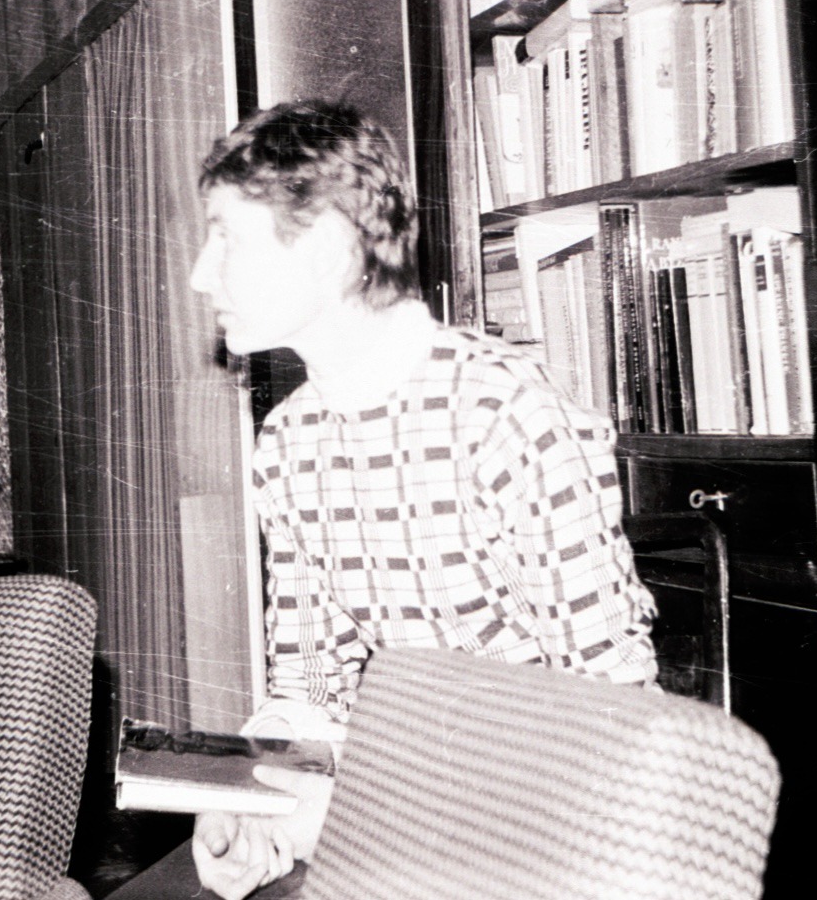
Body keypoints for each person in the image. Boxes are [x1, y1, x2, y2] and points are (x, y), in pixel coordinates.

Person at [183, 101, 659, 898]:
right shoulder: (289, 440)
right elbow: (307, 687)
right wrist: (249, 809)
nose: (202, 273)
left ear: (327, 249)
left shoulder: (501, 411)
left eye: (226, 236)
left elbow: (614, 713)